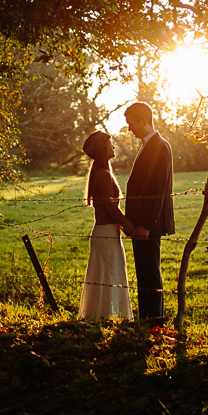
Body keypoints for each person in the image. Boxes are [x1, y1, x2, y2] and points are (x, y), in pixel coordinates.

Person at [123, 101, 174, 325]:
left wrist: (146, 224)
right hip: (139, 224)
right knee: (144, 272)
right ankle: (147, 319)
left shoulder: (159, 146)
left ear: (143, 121)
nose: (129, 129)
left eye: (131, 124)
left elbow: (158, 189)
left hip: (147, 225)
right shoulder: (148, 144)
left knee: (150, 272)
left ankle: (153, 321)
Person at [79, 130, 133, 320]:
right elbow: (111, 208)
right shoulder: (102, 175)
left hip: (108, 232)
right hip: (106, 234)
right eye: (110, 144)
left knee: (108, 274)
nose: (113, 146)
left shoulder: (102, 173)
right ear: (103, 149)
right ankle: (104, 316)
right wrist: (130, 227)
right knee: (107, 275)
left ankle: (105, 315)